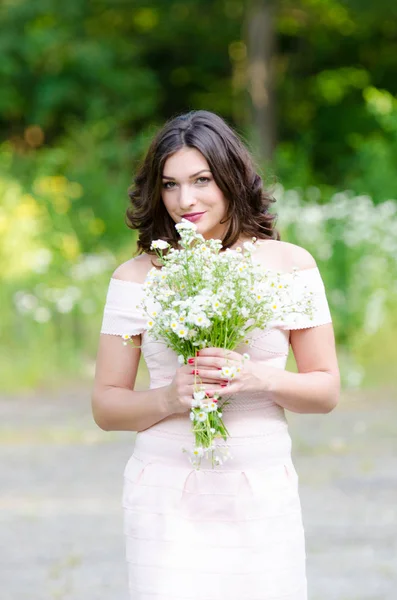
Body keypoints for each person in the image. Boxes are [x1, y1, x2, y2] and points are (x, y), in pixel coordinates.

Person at [92, 110, 340, 600]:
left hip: (259, 489)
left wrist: (257, 378)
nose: (186, 200)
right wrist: (169, 398)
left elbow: (326, 390)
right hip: (166, 493)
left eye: (201, 180)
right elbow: (106, 406)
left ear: (230, 177)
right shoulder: (135, 278)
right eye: (170, 184)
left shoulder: (290, 265)